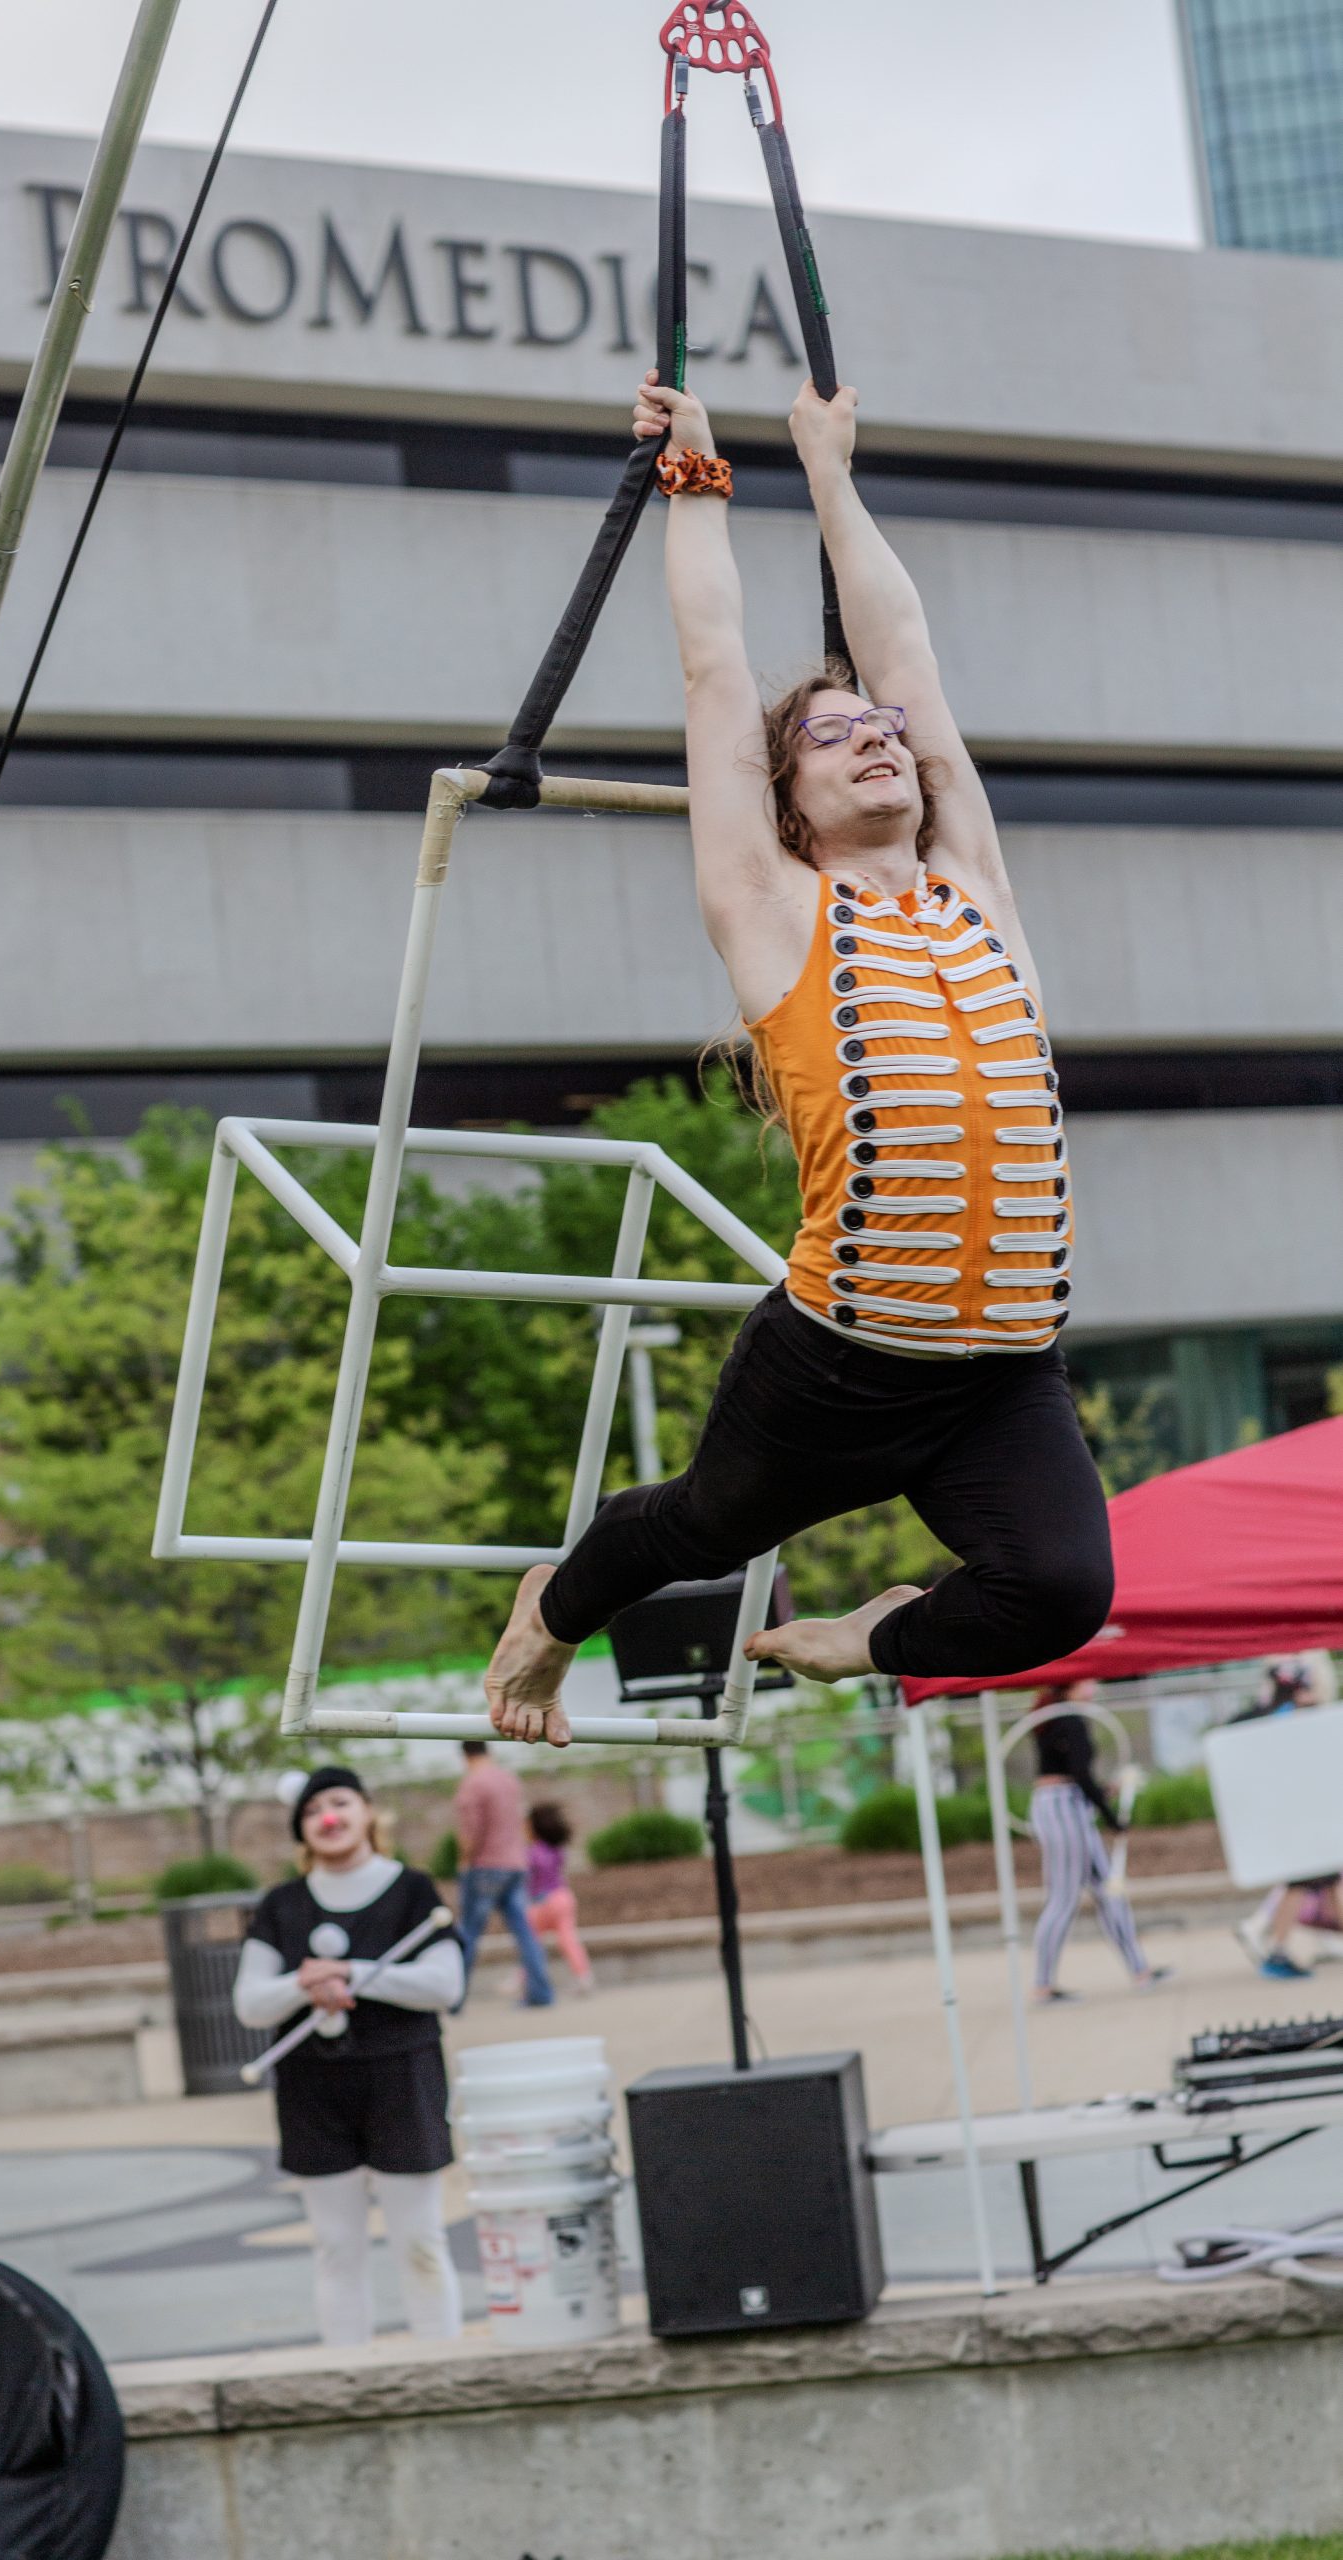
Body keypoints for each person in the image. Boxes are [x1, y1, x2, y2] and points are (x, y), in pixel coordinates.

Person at [483, 368, 1113, 1747]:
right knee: (700, 1527)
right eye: (833, 738)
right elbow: (715, 665)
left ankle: (873, 1635)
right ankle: (548, 1612)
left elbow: (908, 659)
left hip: (1004, 1364)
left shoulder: (970, 883)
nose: (877, 738)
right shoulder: (772, 908)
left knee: (1059, 1592)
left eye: (883, 735)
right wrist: (696, 474)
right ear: (787, 798)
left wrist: (827, 469)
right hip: (840, 1361)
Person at [233, 1766, 464, 2350]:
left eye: (338, 1803)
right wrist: (304, 1985)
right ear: (301, 1831)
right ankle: (347, 2371)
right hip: (312, 2085)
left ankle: (441, 2367)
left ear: (367, 1812)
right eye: (312, 1811)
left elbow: (445, 1985)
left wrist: (354, 1974)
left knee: (419, 2239)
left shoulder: (411, 1889)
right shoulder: (282, 1905)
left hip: (402, 2074)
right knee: (337, 2246)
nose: (327, 1818)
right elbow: (250, 2003)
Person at [1029, 1680, 1165, 2003]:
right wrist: (1110, 1816)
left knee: (1109, 1890)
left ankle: (1139, 1969)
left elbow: (1075, 1775)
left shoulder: (1054, 1716)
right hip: (1063, 1808)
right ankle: (1043, 1984)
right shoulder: (1068, 1719)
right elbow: (1079, 1773)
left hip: (1068, 1806)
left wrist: (1104, 1798)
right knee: (1063, 1897)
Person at [1232, 1659, 1341, 1980]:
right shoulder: (1286, 1718)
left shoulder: (1269, 1716)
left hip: (1299, 1820)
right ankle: (1277, 1952)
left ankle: (1278, 1950)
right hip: (1300, 1823)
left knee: (1331, 1882)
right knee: (1301, 1883)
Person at [453, 1742, 553, 2007]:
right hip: (516, 1865)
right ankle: (541, 1994)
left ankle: (453, 1999)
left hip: (485, 1867)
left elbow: (471, 1832)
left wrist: (464, 1862)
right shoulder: (509, 1780)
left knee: (468, 1934)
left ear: (465, 1756)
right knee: (525, 1933)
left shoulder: (473, 1784)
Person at [526, 1803, 594, 1994]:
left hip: (543, 1902)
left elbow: (532, 1875)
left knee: (531, 1942)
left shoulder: (534, 1851)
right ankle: (583, 1976)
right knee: (568, 1940)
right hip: (564, 1897)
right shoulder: (557, 1848)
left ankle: (524, 1978)